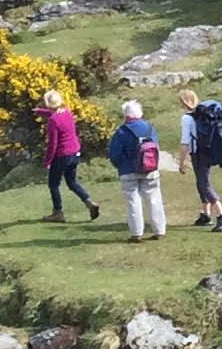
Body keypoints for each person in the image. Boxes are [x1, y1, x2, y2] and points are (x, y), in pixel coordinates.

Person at [179, 88, 222, 229]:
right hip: (207, 151)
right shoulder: (202, 115)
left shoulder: (186, 118)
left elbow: (185, 141)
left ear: (183, 102)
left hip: (198, 154)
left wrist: (181, 162)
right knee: (202, 182)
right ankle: (205, 214)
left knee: (204, 184)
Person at [110, 99, 167, 242]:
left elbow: (114, 153)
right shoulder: (149, 128)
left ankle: (136, 233)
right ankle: (159, 230)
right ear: (139, 113)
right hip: (150, 169)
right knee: (154, 198)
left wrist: (120, 165)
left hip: (128, 170)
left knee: (132, 199)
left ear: (126, 115)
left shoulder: (121, 131)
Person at [42, 93, 100, 223]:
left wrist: (47, 162)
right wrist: (42, 112)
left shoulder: (52, 121)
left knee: (53, 185)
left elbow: (53, 144)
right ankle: (89, 202)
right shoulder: (67, 112)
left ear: (48, 104)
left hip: (62, 156)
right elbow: (57, 116)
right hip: (74, 152)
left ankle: (58, 213)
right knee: (72, 182)